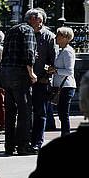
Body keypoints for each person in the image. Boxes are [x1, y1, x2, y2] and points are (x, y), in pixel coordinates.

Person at [0, 8, 41, 156]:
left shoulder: (12, 29)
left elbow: (4, 51)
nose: (40, 25)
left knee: (10, 112)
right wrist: (31, 73)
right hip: (20, 74)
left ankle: (9, 146)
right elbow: (29, 53)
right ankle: (23, 146)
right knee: (24, 111)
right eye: (40, 21)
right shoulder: (28, 30)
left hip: (6, 73)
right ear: (32, 19)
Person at [31, 8, 56, 150]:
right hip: (26, 80)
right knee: (26, 111)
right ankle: (27, 139)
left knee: (40, 112)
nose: (37, 23)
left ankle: (37, 142)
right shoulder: (26, 34)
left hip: (41, 80)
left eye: (39, 20)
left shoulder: (49, 37)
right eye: (34, 20)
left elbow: (53, 61)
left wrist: (46, 76)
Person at [50, 26, 76, 136]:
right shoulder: (61, 51)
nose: (56, 37)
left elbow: (69, 71)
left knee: (64, 114)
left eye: (58, 35)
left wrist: (55, 71)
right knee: (61, 113)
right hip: (60, 86)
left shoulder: (68, 52)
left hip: (66, 86)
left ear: (65, 37)